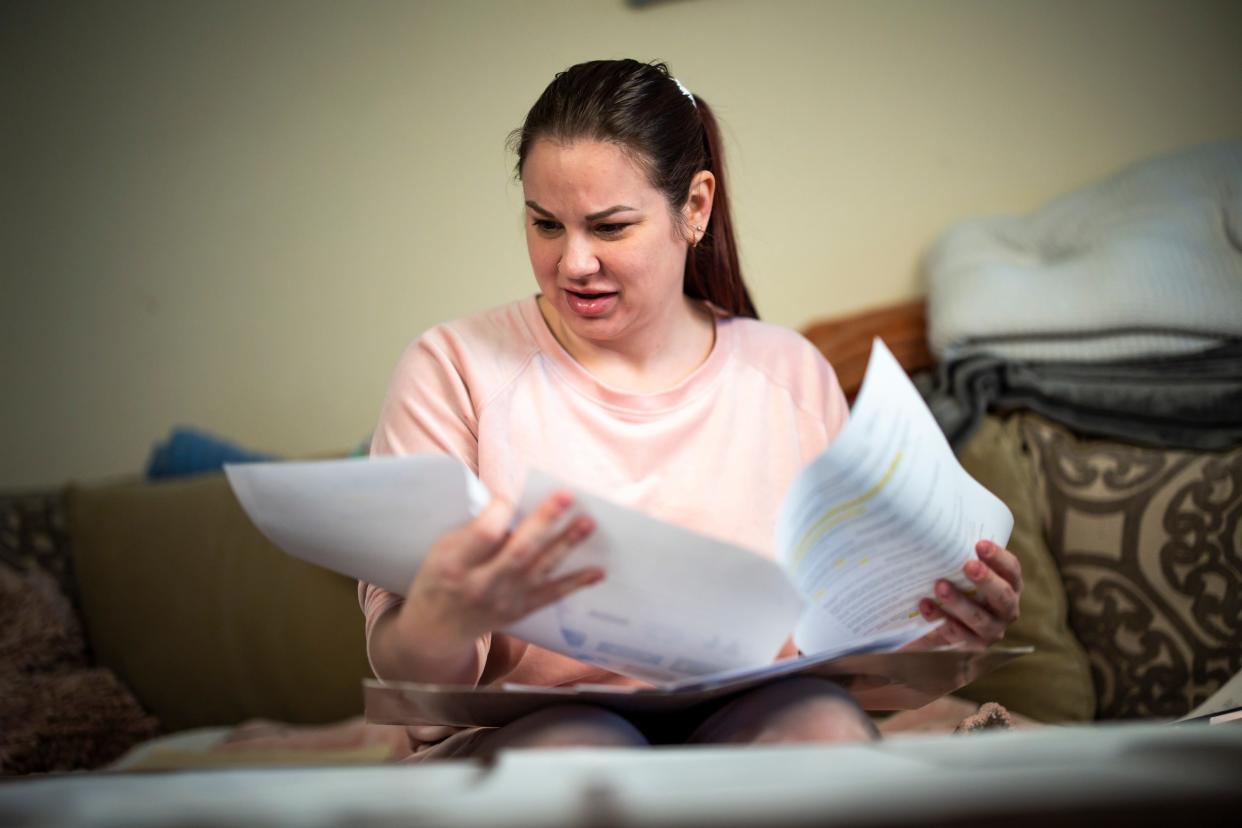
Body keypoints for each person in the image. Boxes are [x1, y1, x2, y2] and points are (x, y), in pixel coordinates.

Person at [359, 59, 1023, 761]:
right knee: (586, 755)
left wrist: (945, 628)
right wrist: (444, 617)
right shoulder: (451, 369)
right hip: (524, 740)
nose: (573, 262)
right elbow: (411, 680)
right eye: (545, 224)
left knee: (822, 729)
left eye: (609, 227)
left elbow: (852, 664)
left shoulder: (788, 375)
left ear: (696, 207)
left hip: (752, 718)